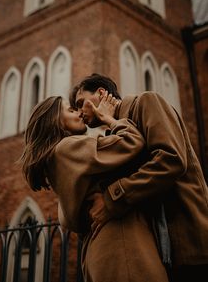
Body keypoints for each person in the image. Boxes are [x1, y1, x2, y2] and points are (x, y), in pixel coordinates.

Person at [70, 73, 208, 282]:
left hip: (189, 245)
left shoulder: (145, 102)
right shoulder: (115, 133)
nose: (79, 113)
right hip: (161, 252)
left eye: (81, 103)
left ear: (100, 93)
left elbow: (171, 160)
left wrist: (112, 198)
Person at [20, 93, 169, 282]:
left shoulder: (58, 160)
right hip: (121, 243)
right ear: (55, 120)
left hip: (102, 248)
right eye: (71, 109)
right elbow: (133, 141)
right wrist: (108, 118)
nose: (79, 113)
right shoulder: (67, 148)